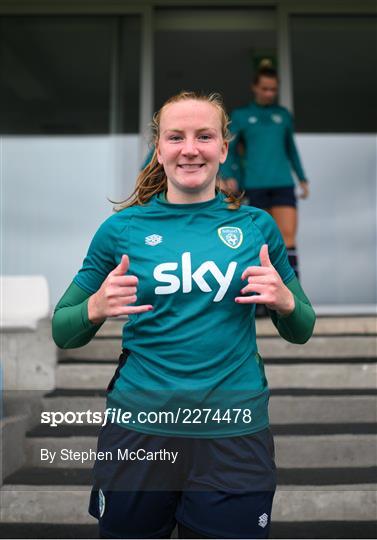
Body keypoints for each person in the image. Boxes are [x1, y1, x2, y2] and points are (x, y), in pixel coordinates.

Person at [52, 91, 316, 539]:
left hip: (233, 434)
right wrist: (95, 308)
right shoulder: (122, 229)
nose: (190, 148)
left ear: (224, 149)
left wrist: (285, 302)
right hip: (139, 431)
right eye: (176, 137)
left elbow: (302, 328)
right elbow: (63, 328)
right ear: (159, 149)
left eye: (204, 136)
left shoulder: (257, 226)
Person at [220, 60, 309, 279]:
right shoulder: (241, 115)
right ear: (255, 87)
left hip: (283, 183)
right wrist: (229, 175)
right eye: (265, 89)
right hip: (254, 185)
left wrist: (302, 178)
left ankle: (292, 293)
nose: (269, 93)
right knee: (261, 241)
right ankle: (261, 298)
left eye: (273, 89)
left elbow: (291, 148)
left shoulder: (283, 115)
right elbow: (228, 147)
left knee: (287, 238)